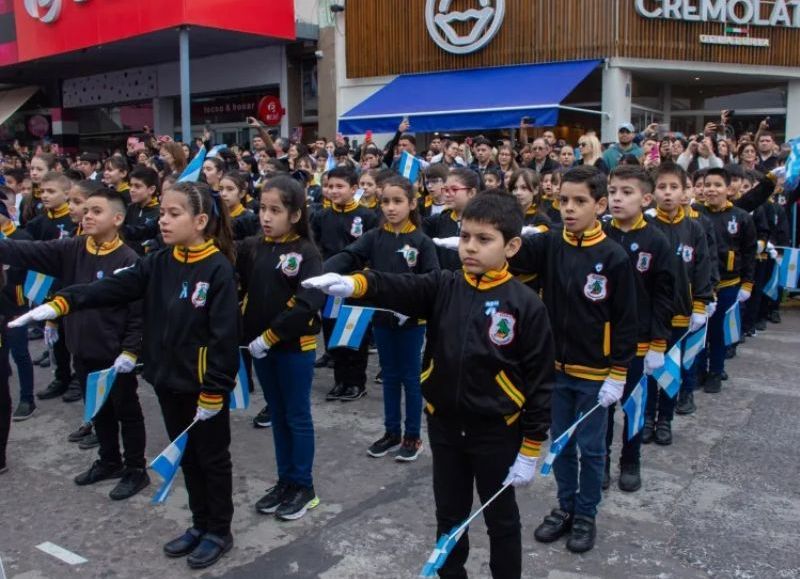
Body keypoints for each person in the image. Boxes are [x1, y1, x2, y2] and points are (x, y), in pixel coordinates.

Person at [305, 191, 554, 579]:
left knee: (501, 520)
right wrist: (353, 284)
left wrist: (532, 446)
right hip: (445, 426)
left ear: (512, 246)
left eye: (484, 239)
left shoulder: (525, 303)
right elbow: (397, 285)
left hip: (497, 431)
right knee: (450, 516)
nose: (470, 247)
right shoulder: (444, 285)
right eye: (465, 236)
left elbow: (540, 380)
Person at [12, 181, 239, 569]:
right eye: (162, 213)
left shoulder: (218, 268)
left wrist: (215, 390)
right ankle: (199, 524)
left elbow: (225, 337)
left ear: (200, 221)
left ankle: (219, 530)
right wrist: (64, 302)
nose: (163, 221)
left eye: (174, 214)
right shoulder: (160, 261)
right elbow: (115, 286)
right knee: (185, 456)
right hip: (167, 379)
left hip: (202, 388)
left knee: (212, 459)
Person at [509, 165, 638, 554]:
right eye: (563, 200)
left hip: (595, 373)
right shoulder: (550, 244)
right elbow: (512, 252)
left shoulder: (614, 256)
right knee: (560, 444)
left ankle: (586, 514)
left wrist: (619, 372)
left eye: (580, 201)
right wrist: (480, 239)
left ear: (600, 205)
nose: (569, 208)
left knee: (592, 448)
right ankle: (565, 507)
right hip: (555, 370)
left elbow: (626, 320)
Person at [0, 188, 149, 500]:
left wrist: (130, 350)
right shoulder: (73, 248)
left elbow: (137, 313)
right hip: (82, 347)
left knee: (126, 411)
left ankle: (136, 469)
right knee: (97, 409)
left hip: (115, 353)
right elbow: (27, 251)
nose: (87, 216)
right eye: (87, 210)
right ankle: (109, 460)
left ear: (117, 219)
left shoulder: (129, 259)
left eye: (96, 211)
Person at [326, 176, 439, 461]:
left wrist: (412, 304)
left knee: (410, 378)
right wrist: (323, 272)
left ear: (412, 203)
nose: (390, 207)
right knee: (389, 376)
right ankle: (391, 432)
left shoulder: (422, 242)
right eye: (385, 201)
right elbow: (349, 255)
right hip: (380, 320)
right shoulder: (373, 237)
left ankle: (413, 436)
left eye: (398, 201)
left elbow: (432, 281)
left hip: (411, 322)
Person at [238, 175, 325, 520]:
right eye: (262, 208)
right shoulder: (254, 247)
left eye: (275, 210)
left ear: (295, 214)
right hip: (260, 349)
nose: (266, 217)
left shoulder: (306, 252)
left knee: (296, 415)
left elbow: (307, 302)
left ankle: (304, 486)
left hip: (293, 348)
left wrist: (270, 336)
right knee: (277, 414)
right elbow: (243, 290)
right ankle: (285, 480)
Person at [603, 166, 673, 491]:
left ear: (646, 199)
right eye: (612, 191)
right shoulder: (600, 233)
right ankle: (600, 461)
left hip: (639, 342)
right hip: (603, 340)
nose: (617, 198)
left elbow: (664, 295)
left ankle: (630, 460)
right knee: (601, 408)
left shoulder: (656, 240)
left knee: (633, 406)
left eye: (626, 192)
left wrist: (658, 342)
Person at [645, 163, 713, 437]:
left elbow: (702, 267)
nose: (668, 193)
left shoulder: (694, 229)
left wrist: (700, 304)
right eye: (662, 187)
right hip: (651, 315)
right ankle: (647, 418)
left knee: (671, 370)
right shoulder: (647, 226)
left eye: (674, 187)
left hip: (681, 313)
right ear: (652, 192)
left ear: (685, 191)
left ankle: (665, 419)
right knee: (650, 370)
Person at [310, 167, 378, 400]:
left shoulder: (367, 216)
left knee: (355, 335)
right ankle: (340, 381)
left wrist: (364, 276)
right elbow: (315, 246)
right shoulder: (320, 216)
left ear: (354, 189)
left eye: (340, 186)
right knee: (333, 333)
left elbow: (372, 250)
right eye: (330, 186)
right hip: (329, 286)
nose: (334, 191)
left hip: (356, 285)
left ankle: (356, 383)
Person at [696, 167, 757, 393]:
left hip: (728, 284)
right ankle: (699, 370)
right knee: (700, 330)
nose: (711, 190)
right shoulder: (695, 213)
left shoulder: (740, 217)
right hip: (702, 286)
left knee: (719, 331)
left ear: (728, 188)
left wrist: (747, 283)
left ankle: (716, 371)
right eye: (707, 185)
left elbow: (749, 252)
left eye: (717, 185)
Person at [23, 172, 77, 403]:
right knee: (56, 335)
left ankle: (78, 379)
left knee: (75, 334)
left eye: (51, 191)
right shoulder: (38, 222)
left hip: (72, 285)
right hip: (48, 287)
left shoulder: (75, 222)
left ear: (67, 194)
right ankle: (61, 376)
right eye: (42, 191)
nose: (45, 195)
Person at [0, 192, 35, 421]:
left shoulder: (22, 237)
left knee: (20, 353)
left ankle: (27, 398)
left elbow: (35, 272)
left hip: (16, 306)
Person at [423, 167, 479, 271]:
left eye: (454, 189)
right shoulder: (438, 221)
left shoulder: (483, 222)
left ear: (471, 193)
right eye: (445, 189)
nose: (447, 194)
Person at [123, 166, 161, 255]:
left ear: (151, 189)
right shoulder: (129, 208)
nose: (132, 190)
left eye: (137, 186)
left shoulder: (159, 213)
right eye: (131, 185)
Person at [218, 171, 260, 240]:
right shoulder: (216, 216)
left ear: (242, 193)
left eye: (230, 189)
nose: (223, 194)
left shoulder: (249, 219)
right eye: (220, 189)